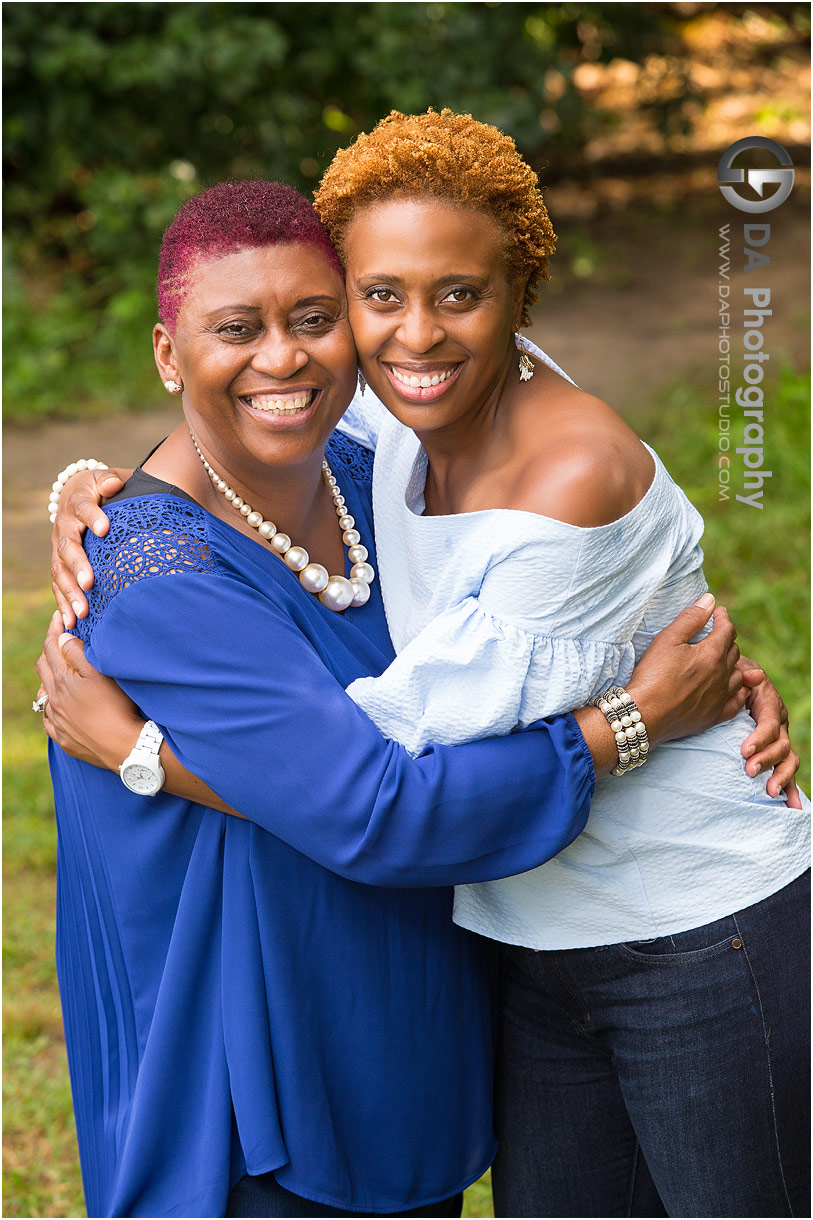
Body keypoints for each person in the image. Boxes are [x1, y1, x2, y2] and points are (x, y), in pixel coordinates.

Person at [37, 178, 757, 1220]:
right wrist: (631, 719)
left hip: (391, 1026)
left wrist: (684, 656)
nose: (282, 357)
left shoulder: (368, 465)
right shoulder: (155, 576)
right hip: (251, 1082)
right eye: (236, 328)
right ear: (166, 352)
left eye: (315, 318)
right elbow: (374, 806)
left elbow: (536, 581)